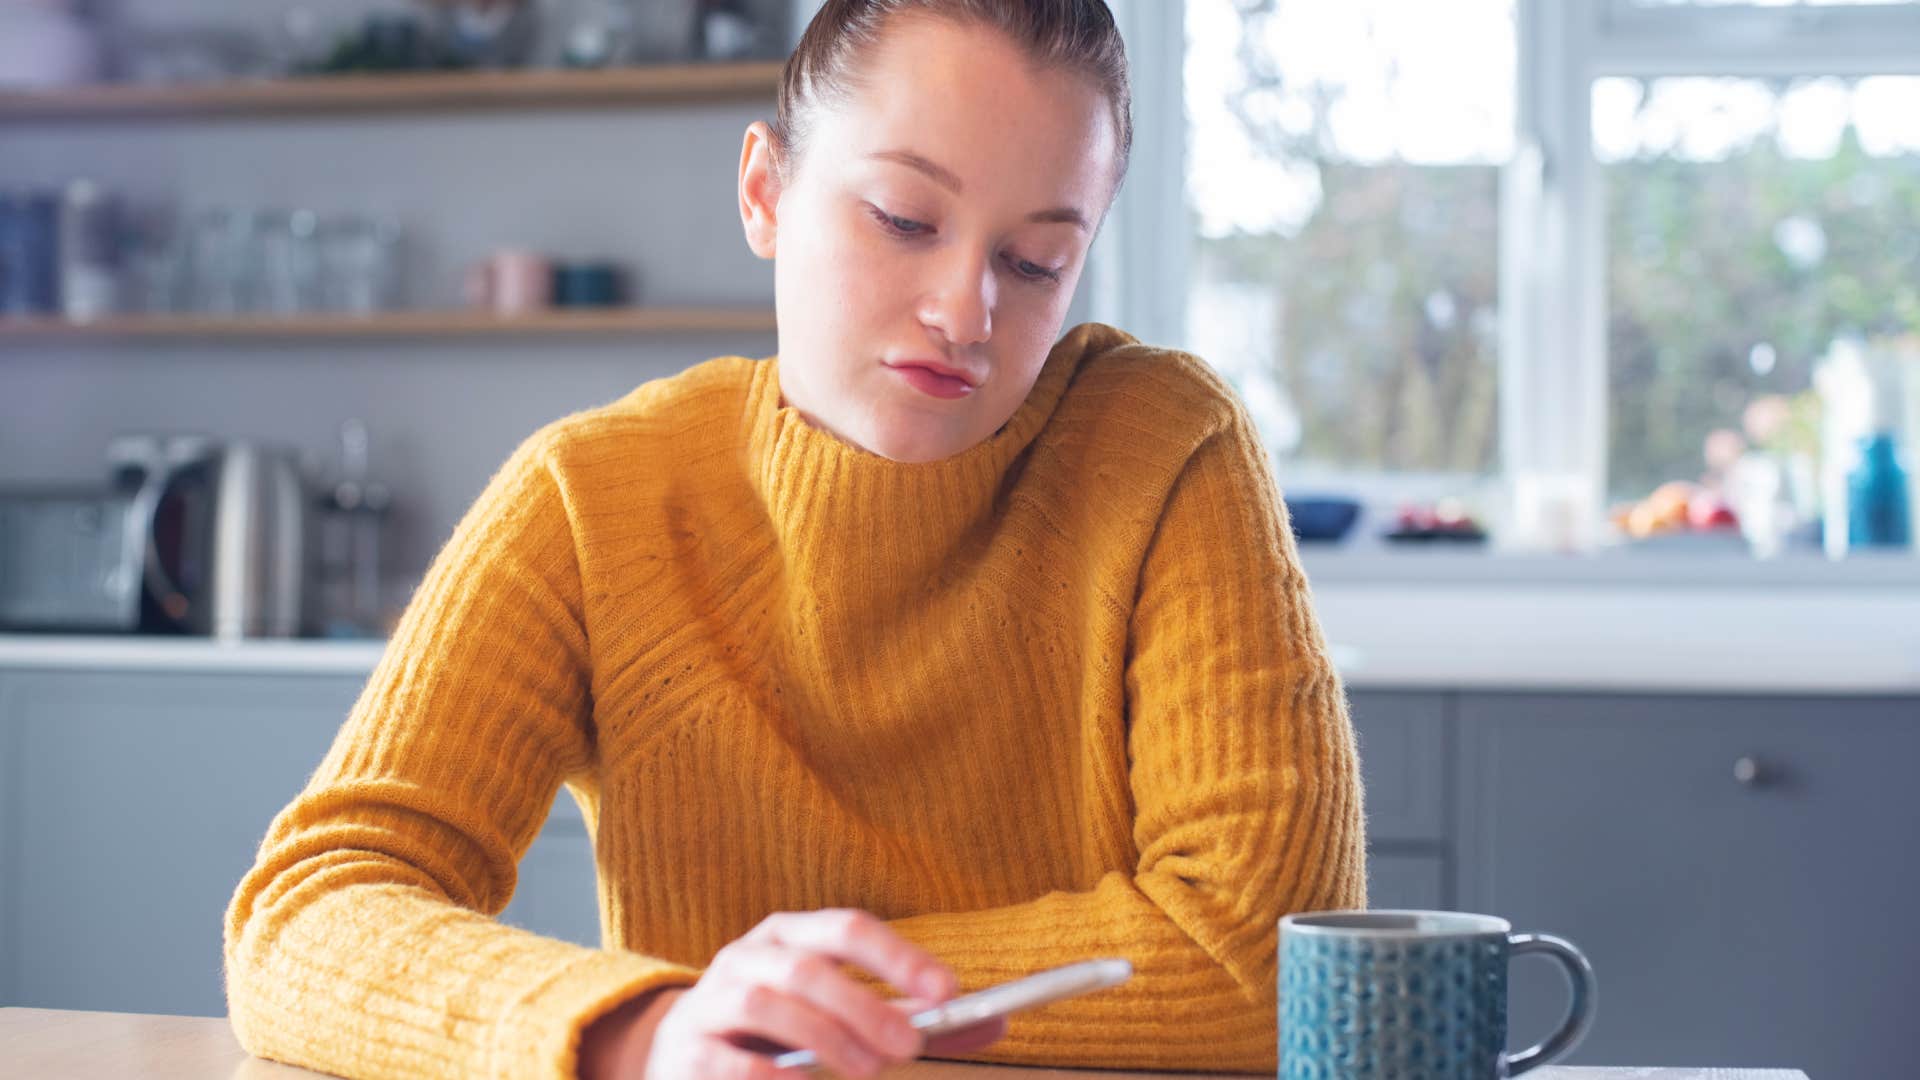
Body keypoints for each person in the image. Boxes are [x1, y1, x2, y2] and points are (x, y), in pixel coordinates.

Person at [221, 2, 1367, 1078]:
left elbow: (1274, 956)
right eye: (905, 220)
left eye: (1034, 263)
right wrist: (649, 1029)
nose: (966, 311)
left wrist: (811, 1001)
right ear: (766, 192)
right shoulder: (589, 499)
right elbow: (310, 910)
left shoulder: (1163, 449)